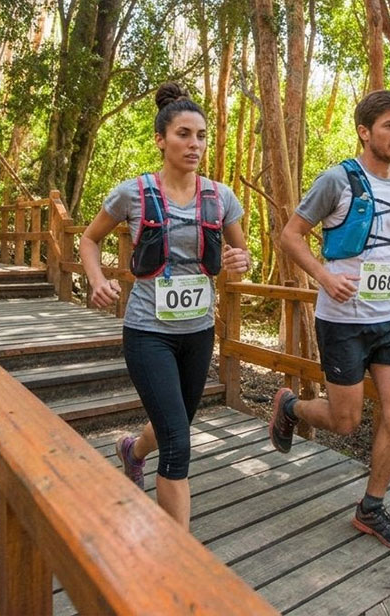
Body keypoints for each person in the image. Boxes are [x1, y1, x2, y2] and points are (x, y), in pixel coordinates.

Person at [271, 90, 390, 551]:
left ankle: (371, 507)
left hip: (389, 318)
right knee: (345, 420)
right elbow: (290, 236)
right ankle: (291, 408)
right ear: (365, 132)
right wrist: (324, 277)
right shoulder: (337, 181)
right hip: (342, 321)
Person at [80, 82, 250, 529]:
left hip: (199, 332)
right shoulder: (133, 193)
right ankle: (179, 553)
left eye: (201, 136)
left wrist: (240, 261)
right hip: (147, 332)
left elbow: (241, 256)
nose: (194, 144)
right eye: (183, 134)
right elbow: (89, 239)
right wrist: (97, 280)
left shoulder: (221, 197)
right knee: (178, 442)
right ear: (161, 139)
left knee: (174, 423)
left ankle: (132, 451)